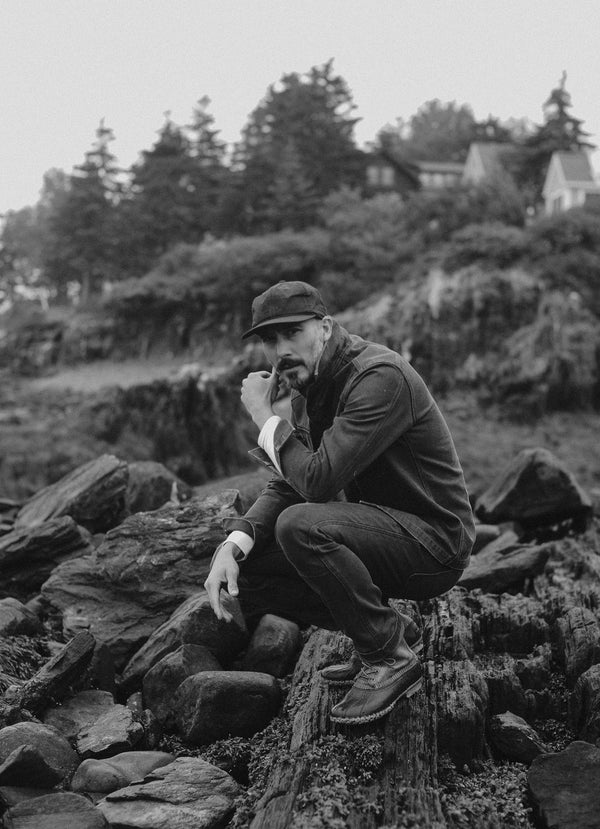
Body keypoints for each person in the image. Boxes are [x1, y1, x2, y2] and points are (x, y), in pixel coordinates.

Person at [204, 280, 475, 724]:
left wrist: (262, 416)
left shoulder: (378, 377)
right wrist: (234, 543)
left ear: (325, 327)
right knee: (248, 566)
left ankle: (389, 658)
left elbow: (316, 482)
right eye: (270, 340)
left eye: (293, 333)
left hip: (435, 544)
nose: (280, 349)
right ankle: (384, 631)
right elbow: (291, 483)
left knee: (300, 526)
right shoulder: (308, 387)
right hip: (378, 531)